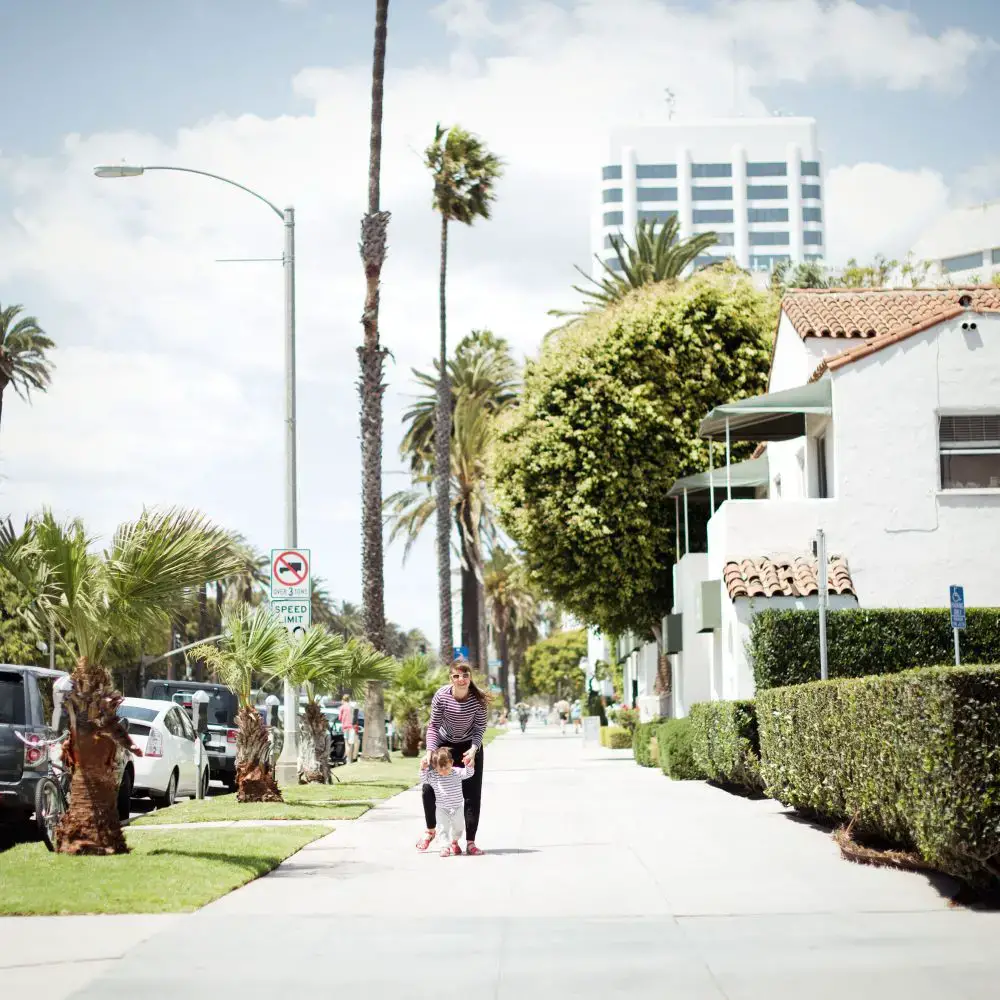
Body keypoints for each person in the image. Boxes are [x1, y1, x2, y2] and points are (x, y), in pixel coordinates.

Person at [416, 659, 488, 856]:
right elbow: (433, 725)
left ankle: (470, 842)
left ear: (470, 677)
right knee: (428, 787)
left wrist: (474, 750)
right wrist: (430, 751)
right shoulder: (442, 695)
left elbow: (479, 728)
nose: (461, 679)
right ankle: (430, 831)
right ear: (451, 678)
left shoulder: (478, 699)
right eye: (456, 676)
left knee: (471, 794)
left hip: (469, 747)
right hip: (444, 746)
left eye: (465, 675)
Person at [419, 747, 476, 857]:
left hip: (457, 808)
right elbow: (423, 779)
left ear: (451, 762)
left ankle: (454, 841)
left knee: (459, 827)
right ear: (435, 767)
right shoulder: (434, 776)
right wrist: (423, 768)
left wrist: (468, 764)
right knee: (442, 829)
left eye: (447, 767)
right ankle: (444, 847)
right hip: (441, 809)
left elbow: (469, 774)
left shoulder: (457, 772)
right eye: (440, 769)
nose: (444, 771)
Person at [338, 694, 357, 764]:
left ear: (343, 700)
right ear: (349, 700)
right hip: (352, 727)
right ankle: (349, 759)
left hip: (345, 727)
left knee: (346, 744)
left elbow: (339, 718)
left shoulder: (342, 707)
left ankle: (347, 759)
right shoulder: (351, 707)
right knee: (351, 743)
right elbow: (355, 718)